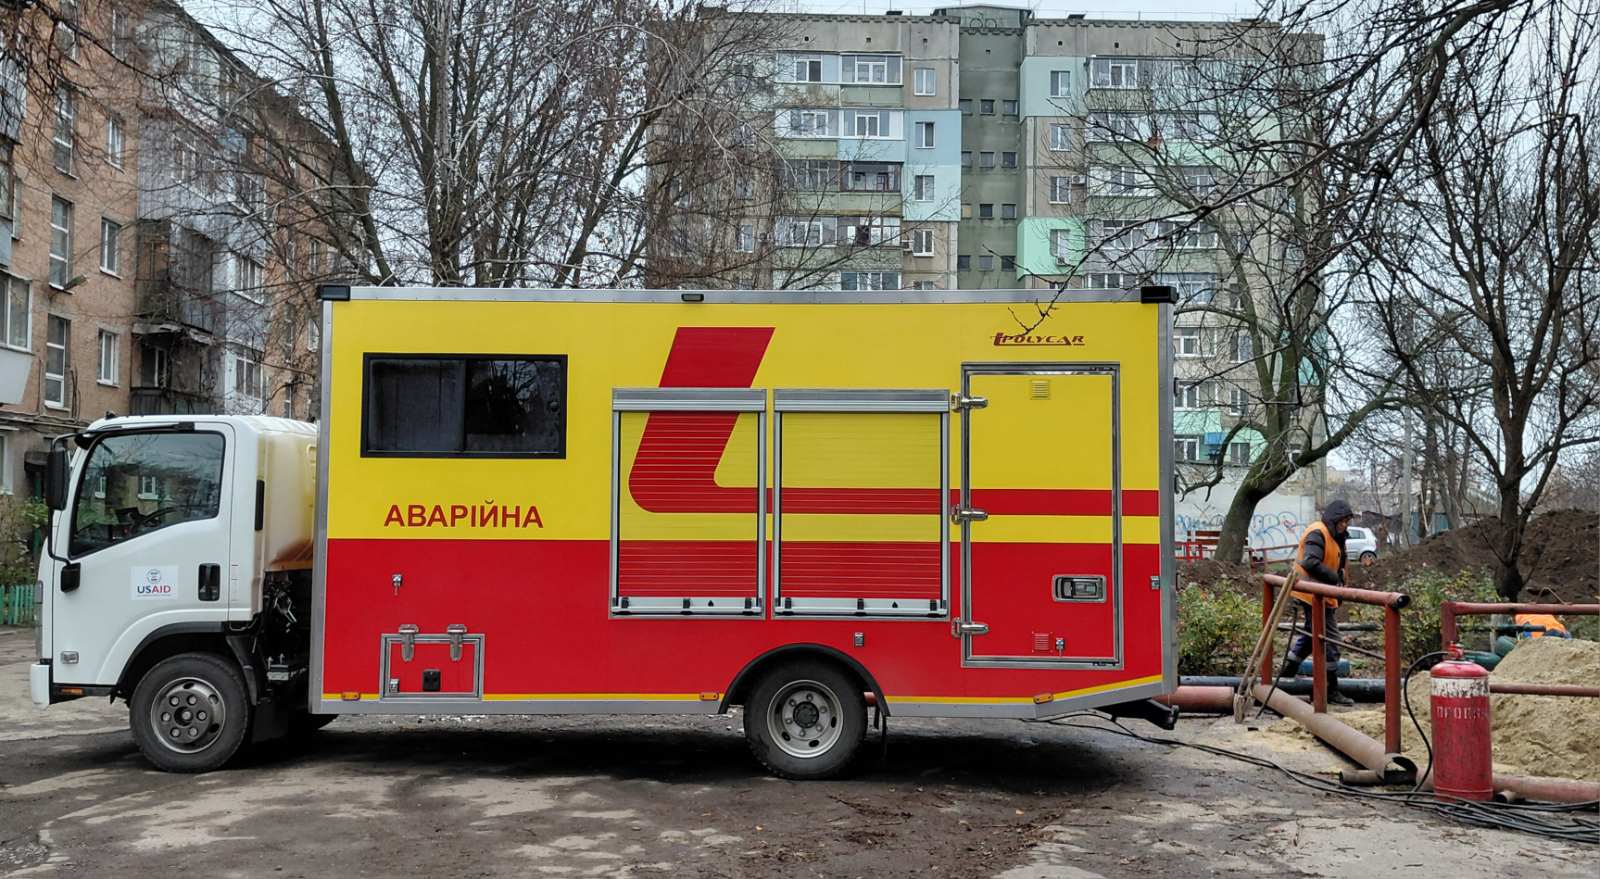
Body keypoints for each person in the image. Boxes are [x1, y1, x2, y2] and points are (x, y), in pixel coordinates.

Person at [1278, 499, 1356, 705]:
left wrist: (1338, 586)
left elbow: (1338, 563)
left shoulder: (1334, 536)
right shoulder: (1318, 532)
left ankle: (1288, 671)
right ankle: (1327, 690)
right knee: (1330, 641)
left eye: (1348, 521)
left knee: (1313, 633)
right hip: (1312, 593)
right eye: (1344, 521)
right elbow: (1310, 562)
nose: (1345, 525)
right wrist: (1334, 579)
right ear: (1335, 519)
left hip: (1321, 594)